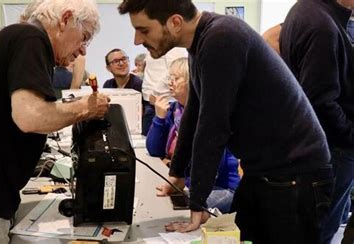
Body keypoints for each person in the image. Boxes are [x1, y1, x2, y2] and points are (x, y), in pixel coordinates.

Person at [119, 0, 333, 243]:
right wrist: (177, 173)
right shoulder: (200, 43)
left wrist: (197, 203)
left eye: (144, 30)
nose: (137, 40)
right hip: (266, 172)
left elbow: (213, 126)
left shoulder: (222, 37)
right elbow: (195, 112)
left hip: (295, 177)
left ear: (175, 22)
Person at [0, 0, 109, 243]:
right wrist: (85, 108)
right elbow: (30, 117)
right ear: (65, 19)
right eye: (84, 37)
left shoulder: (25, 39)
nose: (83, 50)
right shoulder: (31, 39)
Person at [279, 1, 354, 243]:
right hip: (334, 150)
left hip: (316, 149)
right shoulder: (323, 25)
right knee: (319, 232)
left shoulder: (305, 11)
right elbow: (321, 101)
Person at [146, 57, 239, 213]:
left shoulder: (209, 115)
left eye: (176, 78)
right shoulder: (175, 109)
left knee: (179, 211)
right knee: (160, 202)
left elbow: (211, 165)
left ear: (192, 81)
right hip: (189, 184)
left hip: (222, 189)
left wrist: (174, 169)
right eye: (170, 78)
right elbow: (154, 150)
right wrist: (159, 119)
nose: (170, 83)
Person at [141, 47, 187, 136]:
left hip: (160, 102)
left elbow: (176, 71)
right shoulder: (155, 45)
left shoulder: (172, 46)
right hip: (153, 102)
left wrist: (156, 92)